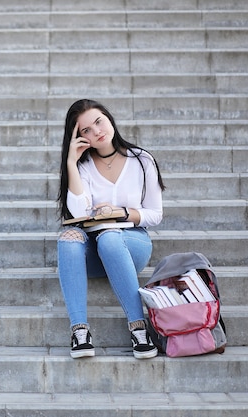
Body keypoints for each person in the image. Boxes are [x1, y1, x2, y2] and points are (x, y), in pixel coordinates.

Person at [56, 99, 166, 359]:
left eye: (98, 122)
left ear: (108, 118)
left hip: (131, 244)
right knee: (68, 239)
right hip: (93, 250)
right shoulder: (82, 167)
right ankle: (79, 332)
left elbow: (156, 214)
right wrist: (71, 163)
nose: (97, 132)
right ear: (79, 138)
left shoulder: (142, 160)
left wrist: (122, 214)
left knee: (110, 238)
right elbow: (80, 213)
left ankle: (139, 328)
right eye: (86, 131)